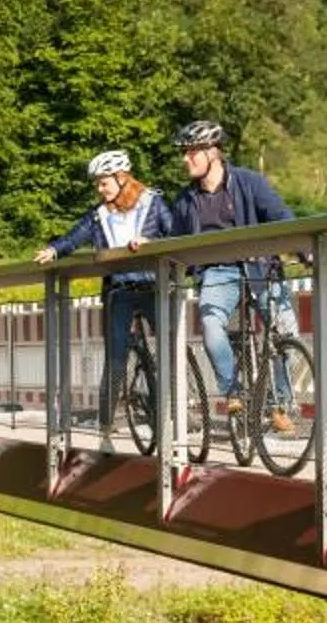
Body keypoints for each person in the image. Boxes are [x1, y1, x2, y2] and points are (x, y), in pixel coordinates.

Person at [34, 148, 172, 433]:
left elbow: (174, 233)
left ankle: (168, 414)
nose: (99, 189)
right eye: (97, 183)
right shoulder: (98, 215)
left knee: (169, 348)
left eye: (104, 182)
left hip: (151, 286)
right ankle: (106, 422)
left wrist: (150, 242)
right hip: (118, 289)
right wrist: (54, 250)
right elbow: (74, 237)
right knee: (116, 355)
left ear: (122, 178)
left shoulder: (152, 203)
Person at [163, 119, 294, 416]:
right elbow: (173, 243)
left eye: (191, 152)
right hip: (216, 273)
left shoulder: (249, 182)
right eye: (184, 152)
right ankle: (232, 391)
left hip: (259, 267)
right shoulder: (185, 201)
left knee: (286, 333)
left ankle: (281, 405)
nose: (185, 159)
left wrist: (304, 250)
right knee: (210, 323)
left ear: (213, 152)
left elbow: (281, 217)